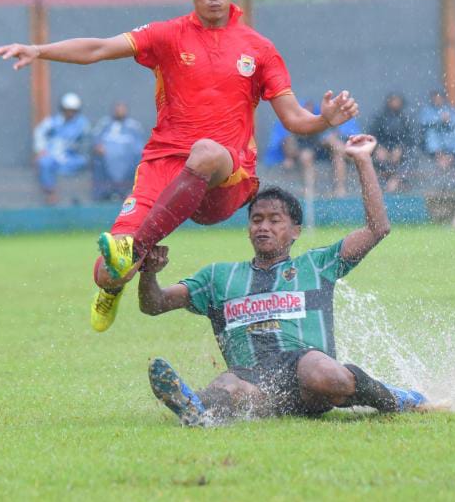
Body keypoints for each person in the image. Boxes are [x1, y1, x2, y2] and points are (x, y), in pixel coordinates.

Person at [0, 0, 358, 333]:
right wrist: (39, 50)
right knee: (105, 272)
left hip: (226, 180)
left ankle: (134, 246)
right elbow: (97, 48)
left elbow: (294, 119)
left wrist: (324, 120)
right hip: (163, 168)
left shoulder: (260, 49)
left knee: (205, 153)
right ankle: (114, 284)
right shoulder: (166, 35)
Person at [136, 135, 429, 426]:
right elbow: (154, 304)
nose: (264, 227)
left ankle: (394, 398)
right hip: (256, 383)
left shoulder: (317, 265)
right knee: (229, 388)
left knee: (324, 373)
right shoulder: (218, 278)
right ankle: (196, 407)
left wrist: (363, 161)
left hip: (309, 379)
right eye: (257, 220)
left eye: (275, 220)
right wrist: (148, 272)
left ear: (295, 231)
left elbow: (377, 229)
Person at [33, 92, 91, 205]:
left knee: (83, 161)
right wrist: (40, 150)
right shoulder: (53, 121)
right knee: (44, 162)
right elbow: (39, 133)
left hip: (70, 157)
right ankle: (50, 192)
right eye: (67, 110)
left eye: (73, 110)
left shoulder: (82, 123)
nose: (70, 113)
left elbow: (88, 140)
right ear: (62, 109)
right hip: (53, 156)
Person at [91, 100, 146, 201]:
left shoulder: (133, 126)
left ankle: (127, 191)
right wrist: (98, 146)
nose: (119, 111)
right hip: (106, 158)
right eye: (117, 109)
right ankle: (103, 193)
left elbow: (139, 145)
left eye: (122, 109)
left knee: (138, 160)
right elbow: (96, 140)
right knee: (97, 160)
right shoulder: (104, 124)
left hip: (128, 159)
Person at [419, 89, 455, 184]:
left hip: (453, 151)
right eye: (435, 98)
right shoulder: (428, 111)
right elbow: (424, 123)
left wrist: (451, 155)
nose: (437, 101)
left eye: (439, 98)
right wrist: (439, 120)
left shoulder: (451, 111)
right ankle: (439, 156)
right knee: (431, 133)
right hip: (435, 151)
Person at [367, 93, 417, 192]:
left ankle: (396, 180)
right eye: (393, 101)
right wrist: (378, 147)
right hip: (383, 148)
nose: (395, 104)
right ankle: (382, 185)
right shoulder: (380, 117)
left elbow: (411, 138)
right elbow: (371, 135)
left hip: (401, 151)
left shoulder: (405, 118)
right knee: (377, 158)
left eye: (397, 101)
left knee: (410, 157)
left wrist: (400, 148)